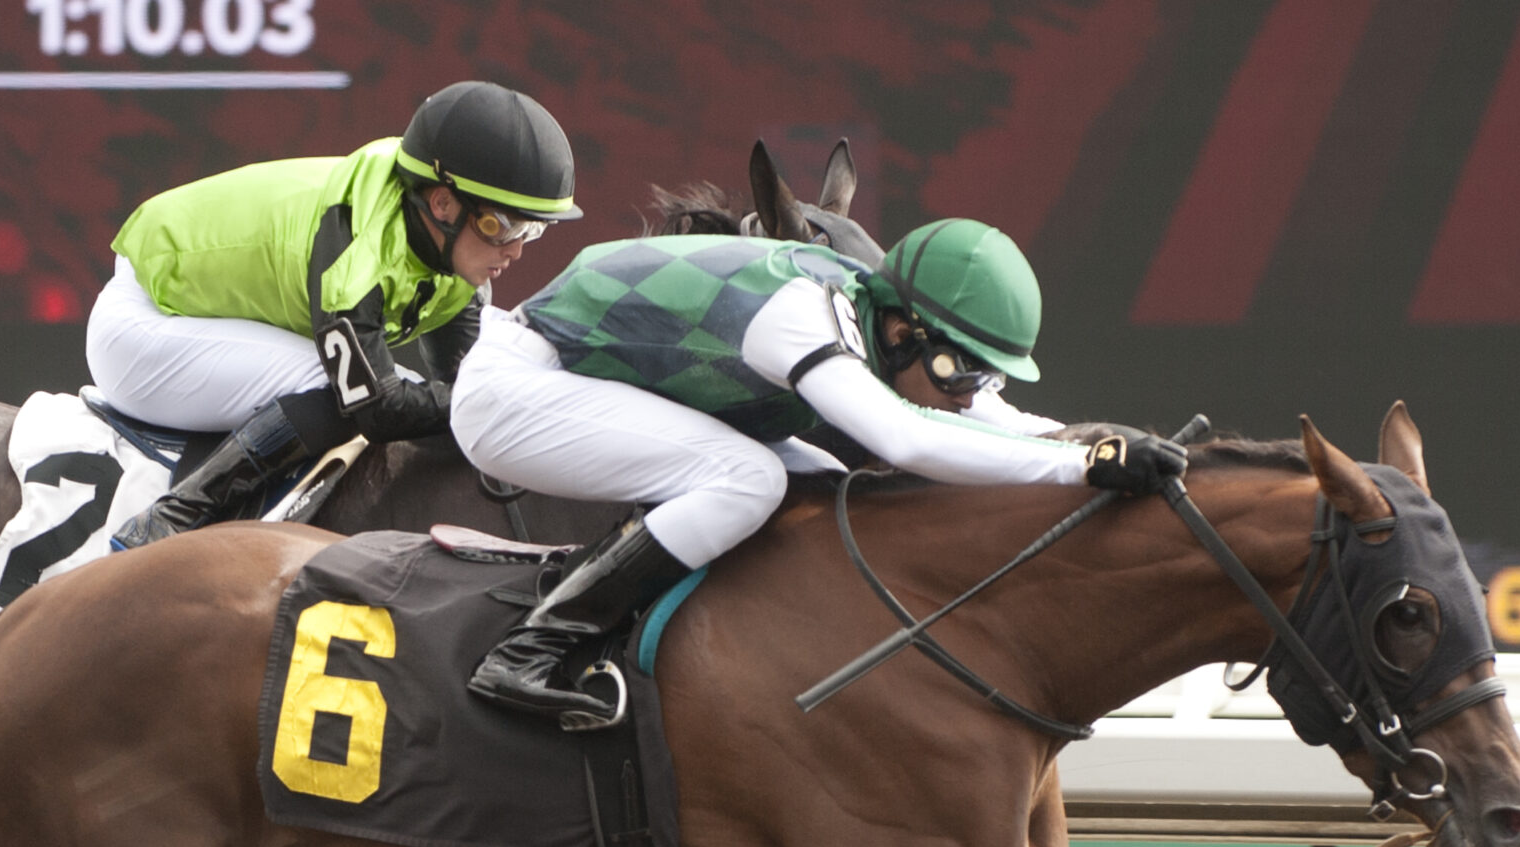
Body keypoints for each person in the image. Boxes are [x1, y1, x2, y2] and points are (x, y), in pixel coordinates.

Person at [452, 217, 1189, 724]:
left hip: (581, 382)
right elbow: (907, 440)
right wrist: (1080, 465)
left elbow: (1003, 421)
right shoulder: (799, 314)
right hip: (513, 392)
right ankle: (530, 649)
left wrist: (1107, 443)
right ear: (902, 331)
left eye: (984, 377)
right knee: (750, 479)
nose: (971, 397)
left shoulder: (872, 314)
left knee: (822, 483)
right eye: (962, 374)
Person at [92, 80, 580, 551]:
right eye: (503, 226)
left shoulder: (449, 245)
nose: (515, 251)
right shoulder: (356, 254)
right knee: (339, 391)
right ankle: (172, 516)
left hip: (201, 317)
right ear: (442, 203)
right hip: (144, 325)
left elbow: (467, 385)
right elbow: (378, 409)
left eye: (531, 230)